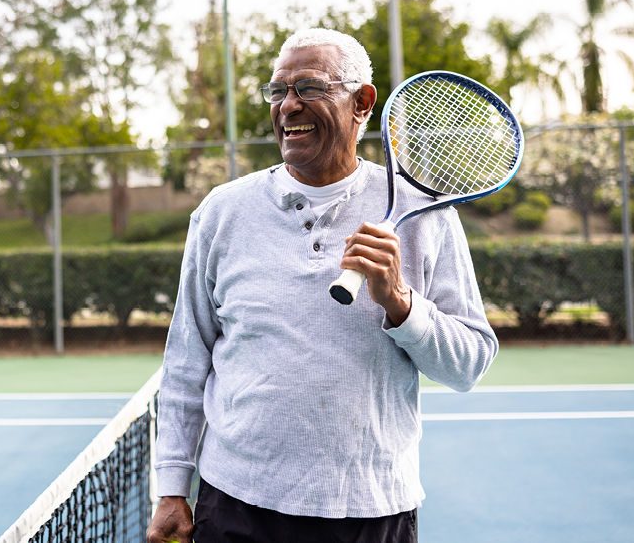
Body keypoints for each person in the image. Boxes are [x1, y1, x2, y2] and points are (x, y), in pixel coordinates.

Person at [146, 28, 497, 543]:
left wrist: (399, 303)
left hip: (370, 508)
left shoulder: (425, 218)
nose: (288, 106)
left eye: (309, 88)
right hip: (236, 505)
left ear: (361, 102)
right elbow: (185, 361)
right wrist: (172, 487)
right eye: (278, 91)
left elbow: (470, 363)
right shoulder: (222, 212)